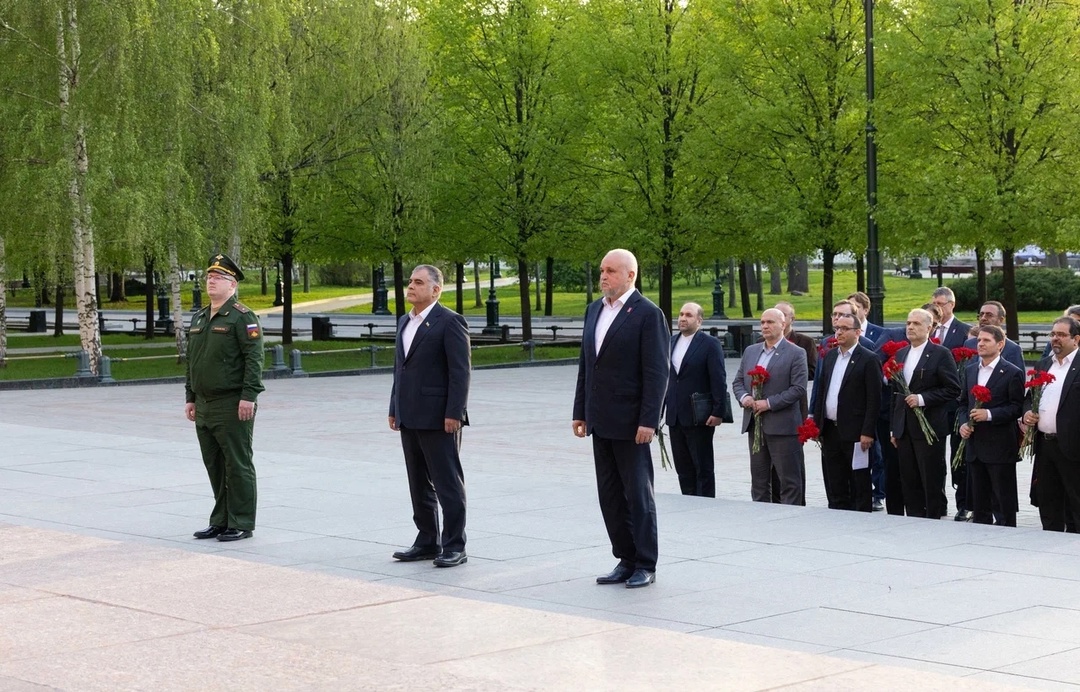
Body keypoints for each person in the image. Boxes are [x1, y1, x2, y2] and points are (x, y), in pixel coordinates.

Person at [573, 249, 668, 589]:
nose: (603, 276)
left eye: (611, 271)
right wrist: (580, 411)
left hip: (632, 423)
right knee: (610, 494)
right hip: (600, 419)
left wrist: (649, 420)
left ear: (631, 275)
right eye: (602, 270)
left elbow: (656, 373)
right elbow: (588, 364)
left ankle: (645, 562)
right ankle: (625, 558)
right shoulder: (594, 310)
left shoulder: (647, 314)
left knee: (637, 495)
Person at [389, 265, 471, 568]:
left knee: (447, 483)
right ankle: (426, 540)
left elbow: (460, 372)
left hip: (439, 418)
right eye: (410, 281)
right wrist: (393, 408)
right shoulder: (404, 321)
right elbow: (400, 369)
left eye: (419, 282)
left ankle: (454, 545)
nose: (411, 286)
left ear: (436, 290)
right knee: (418, 482)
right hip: (409, 415)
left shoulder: (450, 322)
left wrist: (454, 413)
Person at [185, 253, 264, 542]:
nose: (211, 281)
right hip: (204, 404)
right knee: (215, 465)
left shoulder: (243, 316)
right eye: (209, 277)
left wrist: (249, 396)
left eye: (218, 278)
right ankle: (220, 519)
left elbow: (254, 359)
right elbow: (192, 362)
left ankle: (241, 521)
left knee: (238, 463)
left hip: (232, 404)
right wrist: (190, 396)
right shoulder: (200, 317)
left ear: (232, 285)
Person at [954, 300, 1025, 521]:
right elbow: (963, 402)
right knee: (979, 504)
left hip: (1000, 446)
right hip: (975, 447)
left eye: (986, 340)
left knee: (1003, 504)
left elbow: (1016, 407)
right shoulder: (971, 369)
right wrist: (965, 423)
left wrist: (990, 415)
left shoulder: (1011, 372)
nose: (980, 344)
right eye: (979, 340)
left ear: (1000, 344)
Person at [889, 308, 961, 519]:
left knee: (930, 478)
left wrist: (922, 399)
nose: (910, 327)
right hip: (904, 429)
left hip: (929, 427)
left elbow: (953, 389)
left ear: (929, 327)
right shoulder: (902, 353)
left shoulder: (940, 354)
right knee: (909, 479)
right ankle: (913, 517)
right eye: (908, 323)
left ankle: (933, 517)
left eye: (916, 323)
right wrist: (895, 427)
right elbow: (897, 394)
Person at [732, 308, 808, 505]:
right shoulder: (751, 351)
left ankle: (791, 518)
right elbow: (738, 381)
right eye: (762, 322)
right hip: (755, 426)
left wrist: (769, 403)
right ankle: (761, 517)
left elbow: (798, 388)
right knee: (759, 480)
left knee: (789, 480)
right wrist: (745, 397)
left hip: (782, 427)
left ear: (783, 325)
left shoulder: (796, 353)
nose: (765, 326)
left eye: (770, 322)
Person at [813, 313, 881, 511]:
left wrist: (867, 431)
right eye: (837, 328)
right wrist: (816, 424)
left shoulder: (868, 359)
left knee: (859, 480)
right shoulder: (830, 356)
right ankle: (837, 512)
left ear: (857, 332)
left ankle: (861, 516)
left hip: (856, 433)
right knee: (835, 480)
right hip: (830, 430)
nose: (839, 332)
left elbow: (874, 399)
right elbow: (822, 391)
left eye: (845, 328)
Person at [1022, 316, 1080, 532]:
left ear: (1076, 339)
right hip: (1045, 445)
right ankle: (1050, 538)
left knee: (1075, 501)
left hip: (1073, 446)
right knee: (1047, 499)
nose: (1055, 339)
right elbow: (1029, 396)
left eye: (1061, 335)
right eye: (1053, 334)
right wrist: (1027, 413)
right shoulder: (1044, 363)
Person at [664, 302, 727, 497]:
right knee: (683, 467)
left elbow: (718, 379)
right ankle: (688, 501)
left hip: (699, 416)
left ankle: (706, 504)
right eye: (681, 314)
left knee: (703, 467)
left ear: (699, 320)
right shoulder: (670, 342)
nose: (683, 318)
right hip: (674, 415)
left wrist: (718, 412)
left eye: (689, 315)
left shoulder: (709, 344)